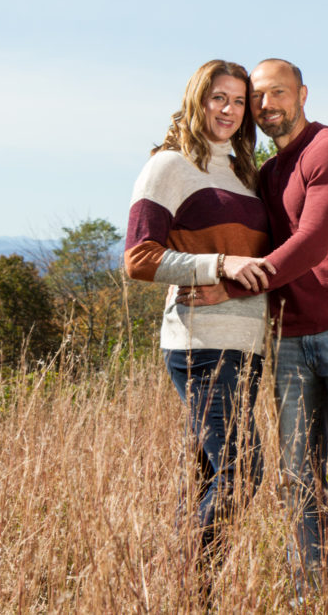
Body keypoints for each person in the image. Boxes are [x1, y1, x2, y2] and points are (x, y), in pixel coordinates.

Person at [180, 58, 328, 597]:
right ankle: (312, 593)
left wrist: (229, 287)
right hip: (286, 340)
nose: (265, 106)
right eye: (256, 98)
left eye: (276, 93)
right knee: (299, 480)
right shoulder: (267, 173)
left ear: (303, 93)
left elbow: (309, 242)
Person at [124, 59, 276, 566]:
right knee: (242, 472)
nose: (229, 110)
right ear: (197, 99)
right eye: (218, 98)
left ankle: (187, 588)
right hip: (200, 343)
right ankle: (189, 576)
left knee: (211, 477)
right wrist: (219, 264)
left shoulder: (244, 173)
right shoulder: (168, 166)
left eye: (238, 101)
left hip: (248, 344)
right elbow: (139, 260)